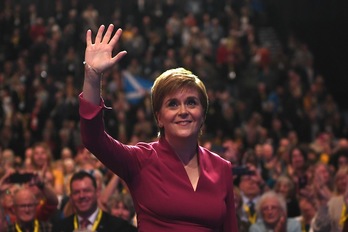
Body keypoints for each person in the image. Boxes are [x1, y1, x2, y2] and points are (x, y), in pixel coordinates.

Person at [79, 24, 238, 231]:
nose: (183, 111)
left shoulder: (222, 168)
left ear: (203, 113)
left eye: (191, 102)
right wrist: (92, 76)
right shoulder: (140, 160)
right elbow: (93, 138)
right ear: (159, 118)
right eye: (172, 104)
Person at [52, 171, 136, 232]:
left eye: (87, 191)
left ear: (97, 193)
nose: (82, 196)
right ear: (71, 197)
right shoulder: (60, 228)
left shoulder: (119, 227)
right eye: (76, 192)